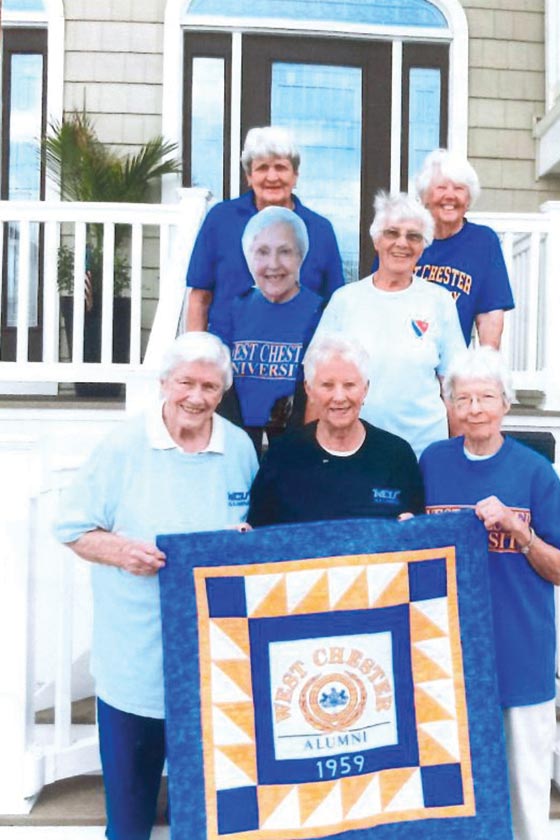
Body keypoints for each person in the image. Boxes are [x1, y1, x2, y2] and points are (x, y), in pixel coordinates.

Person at [53, 332, 258, 840]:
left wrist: (246, 543)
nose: (196, 396)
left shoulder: (238, 448)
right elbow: (73, 528)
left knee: (211, 819)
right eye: (185, 382)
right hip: (133, 666)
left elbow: (254, 529)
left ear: (223, 391)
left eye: (209, 386)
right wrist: (123, 551)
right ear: (164, 383)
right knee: (128, 821)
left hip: (215, 671)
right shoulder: (123, 445)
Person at [419, 346, 560, 840]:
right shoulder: (432, 463)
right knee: (456, 794)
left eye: (486, 397)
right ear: (449, 405)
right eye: (463, 398)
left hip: (520, 656)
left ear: (506, 404)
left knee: (525, 796)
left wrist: (518, 528)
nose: (474, 409)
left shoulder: (534, 471)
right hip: (446, 660)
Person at [311, 191, 466, 458]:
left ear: (424, 245)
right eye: (392, 233)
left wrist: (461, 460)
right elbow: (315, 381)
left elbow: (456, 388)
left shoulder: (439, 301)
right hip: (356, 451)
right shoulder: (345, 301)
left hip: (423, 452)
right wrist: (314, 453)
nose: (402, 243)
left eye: (413, 236)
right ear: (376, 240)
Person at [186, 125, 344, 340]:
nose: (272, 177)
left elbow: (334, 307)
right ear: (249, 176)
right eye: (262, 168)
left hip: (298, 364)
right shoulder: (221, 219)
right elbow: (200, 297)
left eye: (280, 167)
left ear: (295, 175)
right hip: (228, 361)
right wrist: (196, 353)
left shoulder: (320, 229)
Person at [248, 333, 424, 526]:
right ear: (309, 390)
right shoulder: (282, 456)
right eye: (327, 385)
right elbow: (259, 536)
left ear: (365, 389)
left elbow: (418, 537)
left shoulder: (397, 456)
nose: (339, 397)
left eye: (349, 385)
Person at [218, 206, 323, 457]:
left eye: (285, 252)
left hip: (295, 440)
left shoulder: (320, 311)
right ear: (248, 257)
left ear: (301, 256)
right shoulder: (235, 308)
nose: (273, 264)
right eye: (262, 252)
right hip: (238, 437)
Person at [414, 148, 515, 348]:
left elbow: (489, 316)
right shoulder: (405, 238)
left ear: (468, 200)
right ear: (425, 197)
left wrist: (486, 368)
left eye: (459, 189)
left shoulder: (482, 242)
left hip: (453, 365)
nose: (450, 195)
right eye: (441, 187)